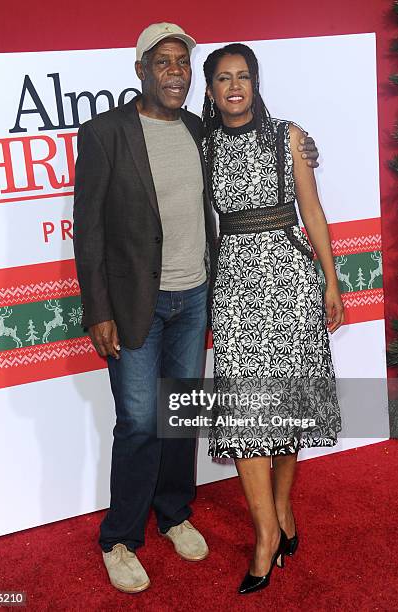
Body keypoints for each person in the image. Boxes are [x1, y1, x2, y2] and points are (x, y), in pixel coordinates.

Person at [73, 24, 320, 594]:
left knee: (179, 416)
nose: (175, 71)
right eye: (163, 62)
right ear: (140, 70)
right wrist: (97, 311)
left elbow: (260, 147)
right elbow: (87, 232)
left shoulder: (196, 129)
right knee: (138, 421)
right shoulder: (105, 133)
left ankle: (175, 513)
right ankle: (120, 538)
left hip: (196, 298)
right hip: (136, 303)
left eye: (183, 62)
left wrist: (305, 146)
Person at [202, 43, 343, 595]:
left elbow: (312, 210)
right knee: (248, 414)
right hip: (236, 288)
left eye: (243, 77)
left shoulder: (288, 136)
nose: (234, 87)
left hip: (291, 280)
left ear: (256, 84)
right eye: (222, 79)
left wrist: (331, 281)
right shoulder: (204, 144)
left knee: (287, 409)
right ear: (210, 90)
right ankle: (265, 534)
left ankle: (282, 508)